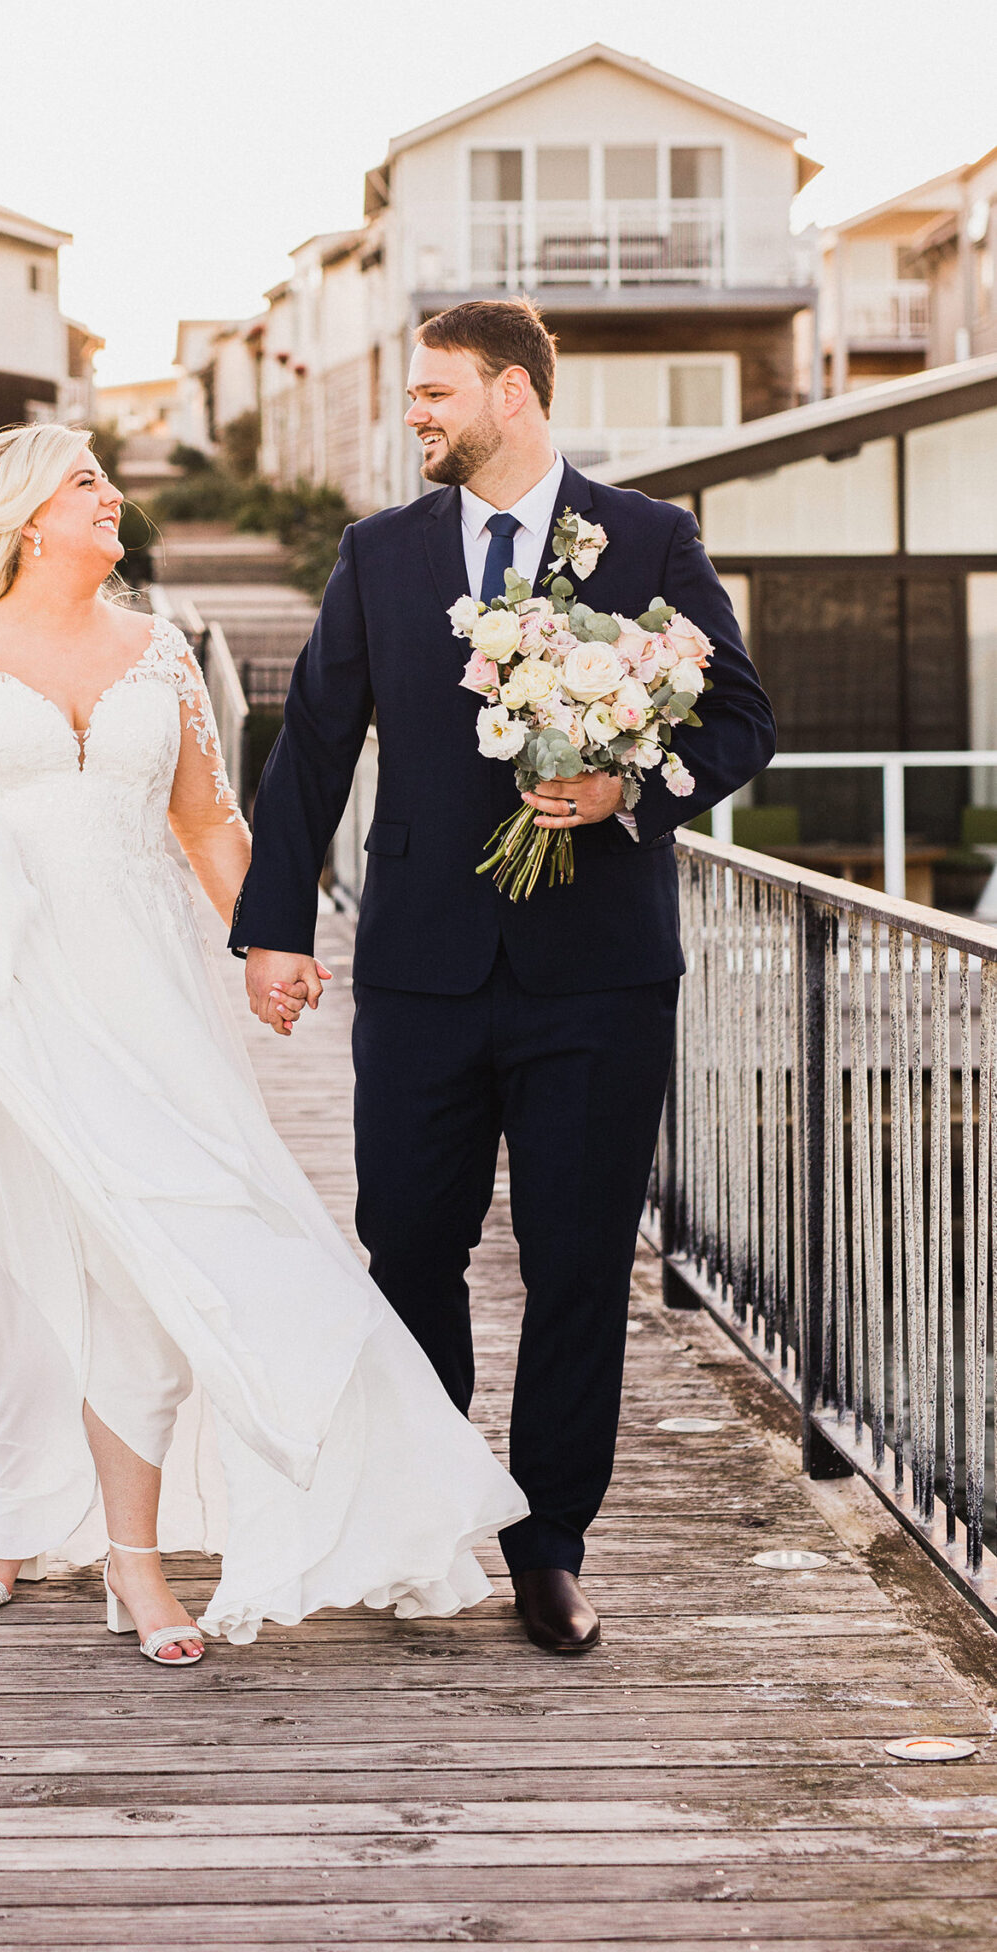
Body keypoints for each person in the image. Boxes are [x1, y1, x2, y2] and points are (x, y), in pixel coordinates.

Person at [0, 421, 524, 1666]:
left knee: (168, 1253)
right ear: (24, 514)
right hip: (0, 995)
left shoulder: (159, 651)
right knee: (27, 1265)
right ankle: (22, 1512)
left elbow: (211, 822)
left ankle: (137, 1553)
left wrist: (269, 942)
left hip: (148, 998)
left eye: (106, 478)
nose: (112, 497)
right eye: (86, 480)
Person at [234, 299, 774, 1654]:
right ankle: (426, 1519)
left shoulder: (645, 540)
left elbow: (739, 717)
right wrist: (274, 926)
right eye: (409, 395)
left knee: (575, 1262)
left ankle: (548, 1546)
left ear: (514, 396)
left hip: (596, 978)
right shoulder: (377, 554)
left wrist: (630, 789)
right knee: (406, 1250)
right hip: (417, 967)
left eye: (432, 394)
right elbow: (309, 747)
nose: (410, 414)